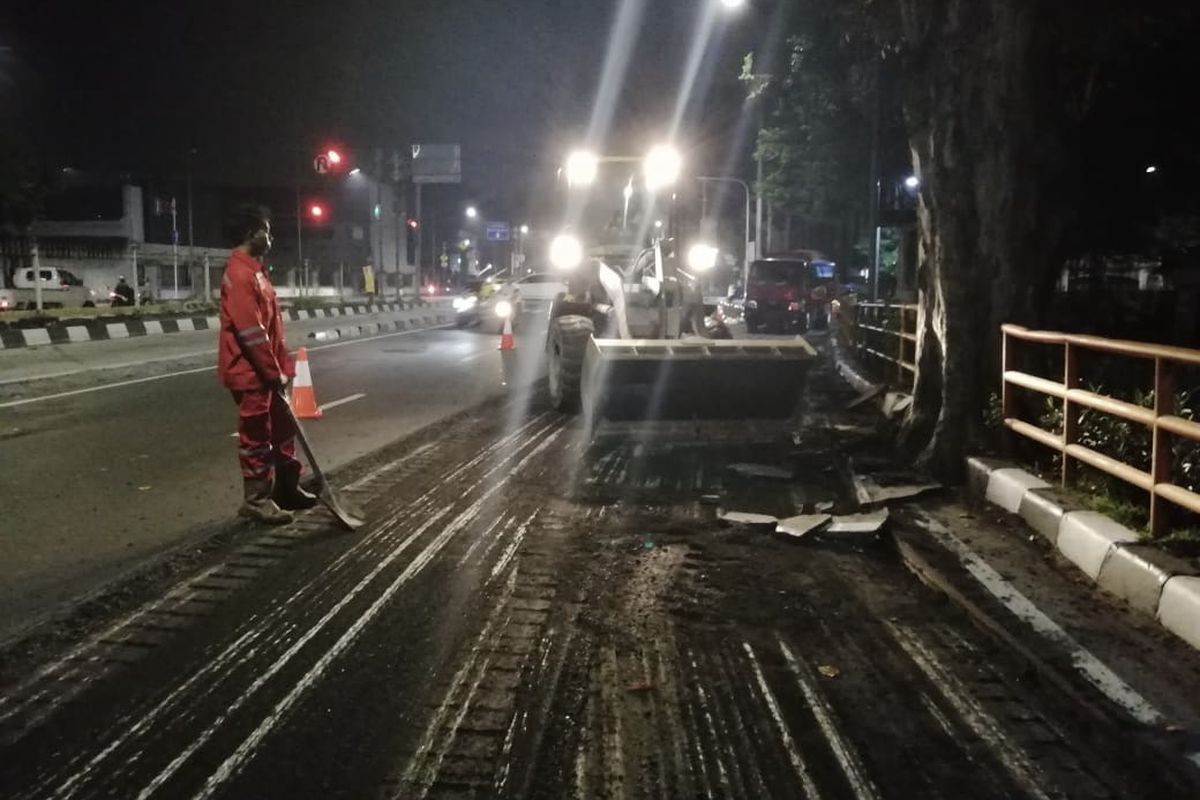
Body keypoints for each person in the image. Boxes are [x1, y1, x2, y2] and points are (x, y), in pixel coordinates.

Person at [218, 205, 317, 524]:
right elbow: (250, 332)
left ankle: (286, 487)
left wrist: (282, 368)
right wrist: (272, 372)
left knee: (283, 428)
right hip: (251, 374)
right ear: (252, 234)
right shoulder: (239, 274)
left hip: (271, 370)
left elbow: (271, 329)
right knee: (257, 435)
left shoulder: (256, 271)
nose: (270, 237)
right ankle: (256, 498)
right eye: (266, 231)